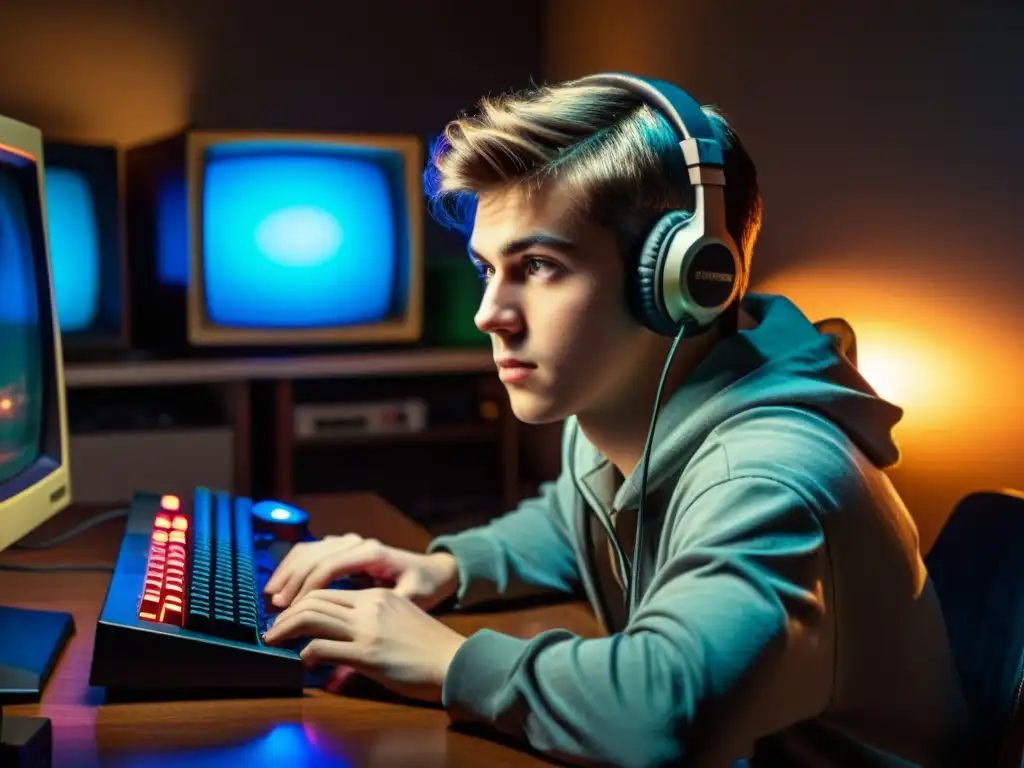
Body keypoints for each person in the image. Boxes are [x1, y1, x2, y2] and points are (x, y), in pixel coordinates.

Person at [262, 73, 971, 767]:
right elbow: (574, 521)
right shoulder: (621, 415)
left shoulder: (770, 473)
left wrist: (448, 659)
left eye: (538, 265)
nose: (489, 316)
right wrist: (443, 567)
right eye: (488, 269)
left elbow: (661, 715)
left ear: (685, 280)